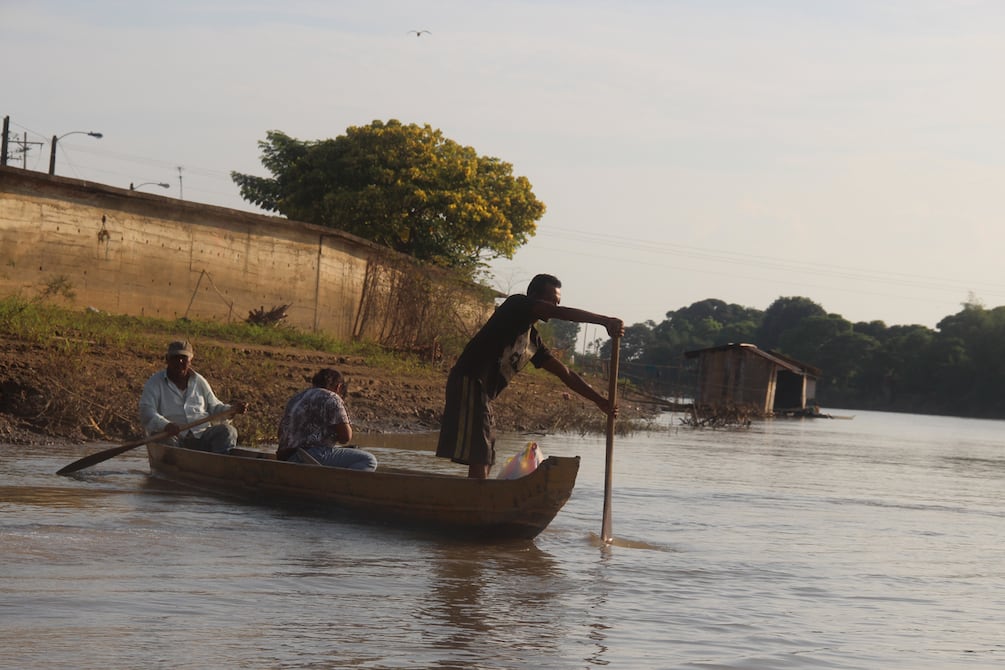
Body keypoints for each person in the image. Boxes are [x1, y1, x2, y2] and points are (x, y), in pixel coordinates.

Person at [437, 273, 624, 478]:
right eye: (550, 300)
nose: (553, 307)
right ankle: (478, 493)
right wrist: (604, 321)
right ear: (533, 296)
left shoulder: (533, 341)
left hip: (484, 393)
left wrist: (600, 401)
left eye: (557, 302)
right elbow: (559, 313)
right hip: (470, 380)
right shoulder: (516, 305)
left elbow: (565, 373)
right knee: (479, 453)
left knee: (487, 450)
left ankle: (481, 490)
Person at [139, 340, 249, 453]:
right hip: (173, 437)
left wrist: (231, 410)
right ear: (167, 359)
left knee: (228, 431)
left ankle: (220, 461)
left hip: (201, 436)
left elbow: (215, 407)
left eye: (184, 358)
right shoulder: (155, 383)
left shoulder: (199, 381)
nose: (180, 361)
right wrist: (166, 425)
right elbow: (146, 411)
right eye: (175, 358)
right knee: (165, 441)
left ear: (190, 361)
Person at [277, 368, 378, 471]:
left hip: (285, 456)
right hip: (308, 456)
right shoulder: (331, 397)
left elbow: (280, 433)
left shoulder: (297, 397)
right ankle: (340, 481)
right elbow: (346, 437)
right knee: (368, 460)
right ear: (338, 387)